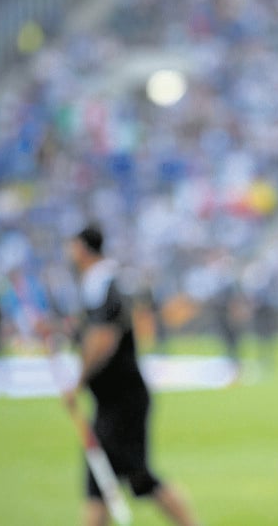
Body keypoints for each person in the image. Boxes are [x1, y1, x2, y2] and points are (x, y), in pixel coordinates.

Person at [66, 225, 199, 526]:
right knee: (100, 485)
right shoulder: (106, 281)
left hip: (122, 401)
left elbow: (102, 338)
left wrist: (77, 382)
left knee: (137, 478)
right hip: (115, 400)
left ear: (83, 248)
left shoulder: (103, 282)